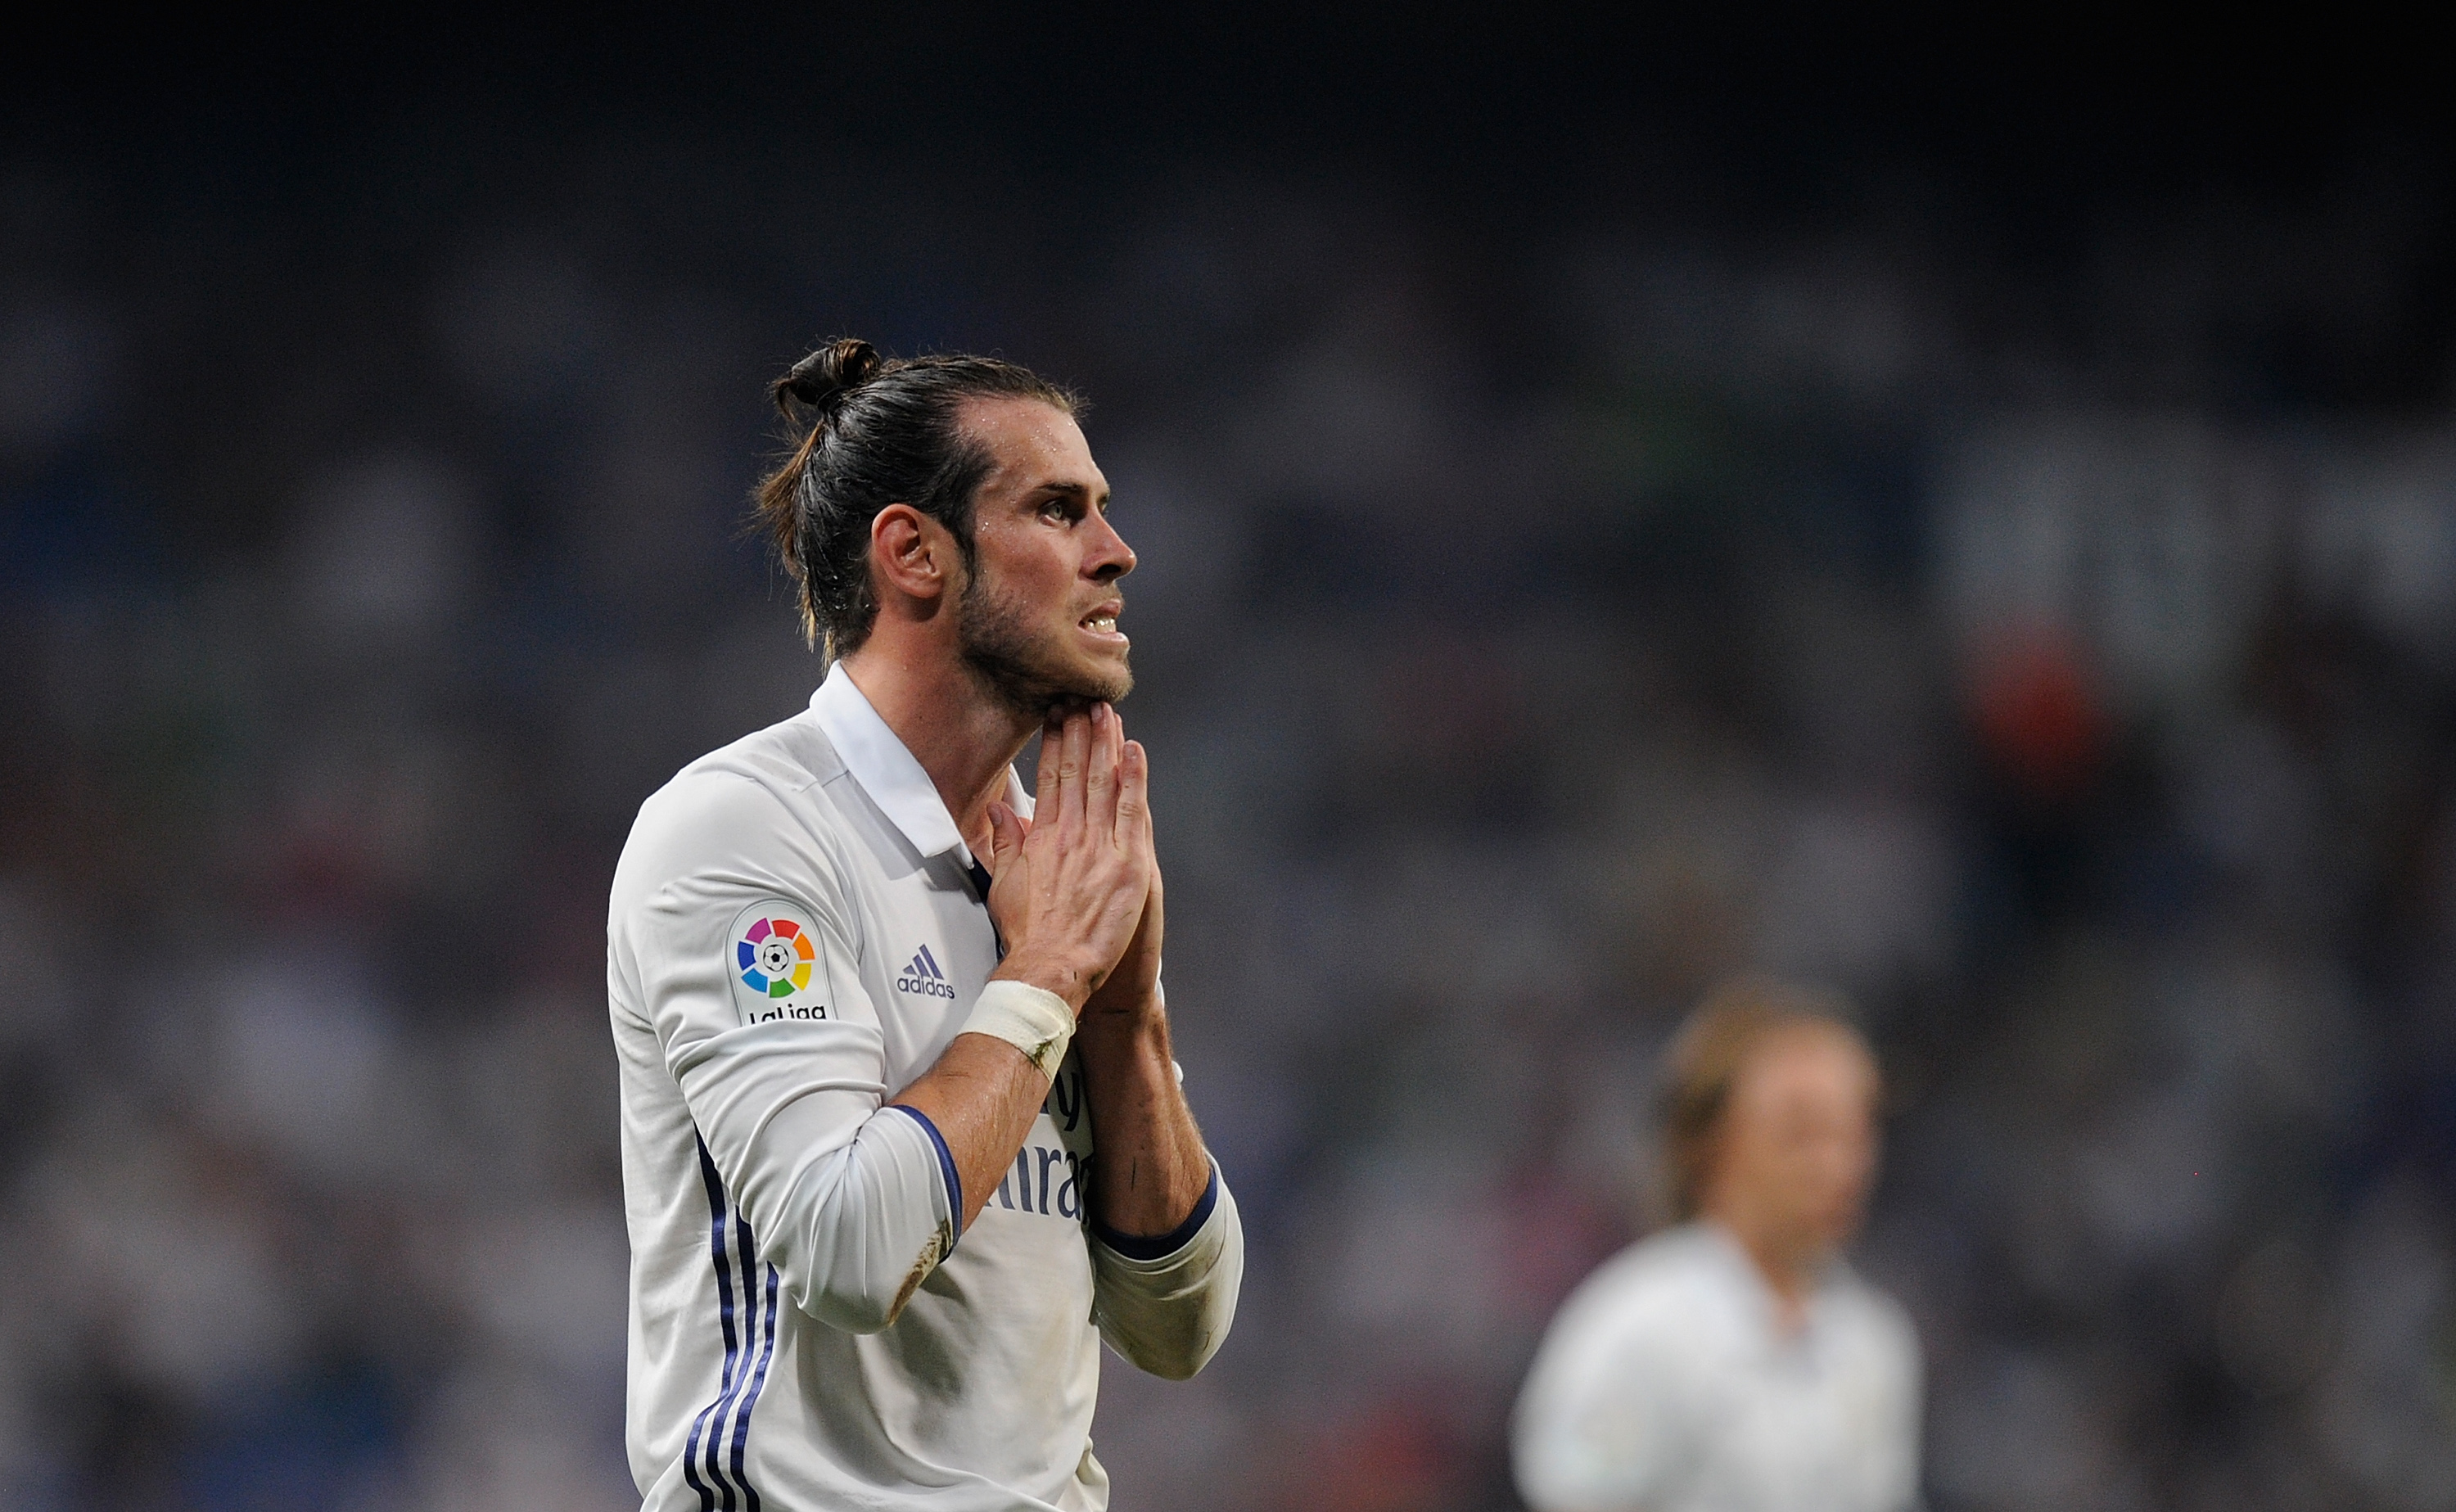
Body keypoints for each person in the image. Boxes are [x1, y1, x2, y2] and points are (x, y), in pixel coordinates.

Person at [607, 339, 1241, 1511]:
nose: (1117, 551)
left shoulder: (1048, 862)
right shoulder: (743, 832)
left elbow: (1181, 1326)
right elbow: (852, 1250)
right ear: (913, 552)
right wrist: (1049, 971)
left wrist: (1125, 1013)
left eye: (1101, 509)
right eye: (1059, 509)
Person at [1512, 979, 1921, 1512]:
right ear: (1707, 1142)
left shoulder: (1873, 1342)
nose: (1838, 1165)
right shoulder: (1638, 1332)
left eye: (1855, 1131)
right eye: (1800, 1131)